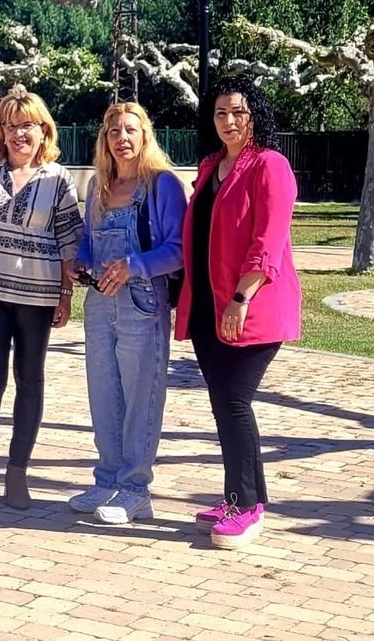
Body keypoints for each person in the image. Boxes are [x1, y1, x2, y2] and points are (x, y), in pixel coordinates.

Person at [178, 76, 301, 549]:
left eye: (238, 112)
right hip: (208, 305)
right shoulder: (211, 166)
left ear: (255, 115)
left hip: (251, 305)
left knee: (233, 401)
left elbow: (267, 241)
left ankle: (247, 508)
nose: (229, 121)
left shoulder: (270, 165)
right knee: (225, 404)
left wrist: (240, 298)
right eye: (221, 113)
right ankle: (239, 496)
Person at [0, 85, 82, 512]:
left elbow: (69, 241)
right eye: (10, 126)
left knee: (30, 380)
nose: (18, 134)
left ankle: (17, 472)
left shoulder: (59, 179)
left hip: (38, 298)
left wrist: (65, 294)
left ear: (44, 130)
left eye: (26, 125)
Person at [67, 102, 186, 526]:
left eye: (130, 130)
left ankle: (135, 489)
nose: (122, 138)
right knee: (104, 395)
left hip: (142, 302)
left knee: (141, 397)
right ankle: (107, 479)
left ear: (145, 135)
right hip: (100, 303)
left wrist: (134, 266)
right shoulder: (100, 186)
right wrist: (80, 262)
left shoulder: (162, 185)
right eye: (114, 131)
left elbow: (179, 249)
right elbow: (88, 238)